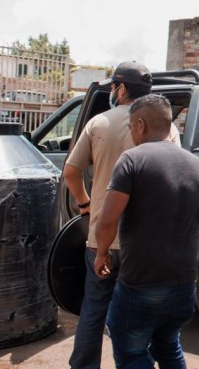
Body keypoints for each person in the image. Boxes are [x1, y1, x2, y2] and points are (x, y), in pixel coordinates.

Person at [94, 94, 199, 368]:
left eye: (130, 127)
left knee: (131, 352)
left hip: (141, 283)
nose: (131, 132)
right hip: (183, 283)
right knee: (168, 344)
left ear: (140, 125)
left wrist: (102, 253)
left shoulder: (131, 161)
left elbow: (107, 220)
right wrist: (188, 250)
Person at [64, 61, 153, 369]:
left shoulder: (98, 123)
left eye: (114, 87)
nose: (113, 92)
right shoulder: (163, 130)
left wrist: (85, 204)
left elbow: (71, 172)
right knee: (139, 315)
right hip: (142, 242)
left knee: (94, 310)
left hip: (102, 239)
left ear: (122, 88)